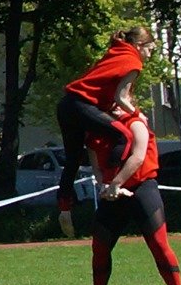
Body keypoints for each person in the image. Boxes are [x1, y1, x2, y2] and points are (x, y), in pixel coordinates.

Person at [56, 26, 155, 237]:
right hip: (82, 105)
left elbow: (105, 91)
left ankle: (64, 209)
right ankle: (111, 184)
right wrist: (138, 114)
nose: (150, 55)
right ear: (139, 46)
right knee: (124, 135)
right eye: (150, 49)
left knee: (73, 161)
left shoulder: (116, 52)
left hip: (66, 105)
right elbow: (121, 97)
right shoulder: (133, 61)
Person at [88, 104, 181, 285]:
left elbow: (138, 157)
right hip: (113, 194)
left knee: (158, 243)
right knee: (100, 246)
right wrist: (106, 186)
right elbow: (96, 167)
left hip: (142, 188)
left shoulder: (136, 123)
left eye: (117, 103)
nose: (113, 108)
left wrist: (116, 183)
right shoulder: (95, 133)